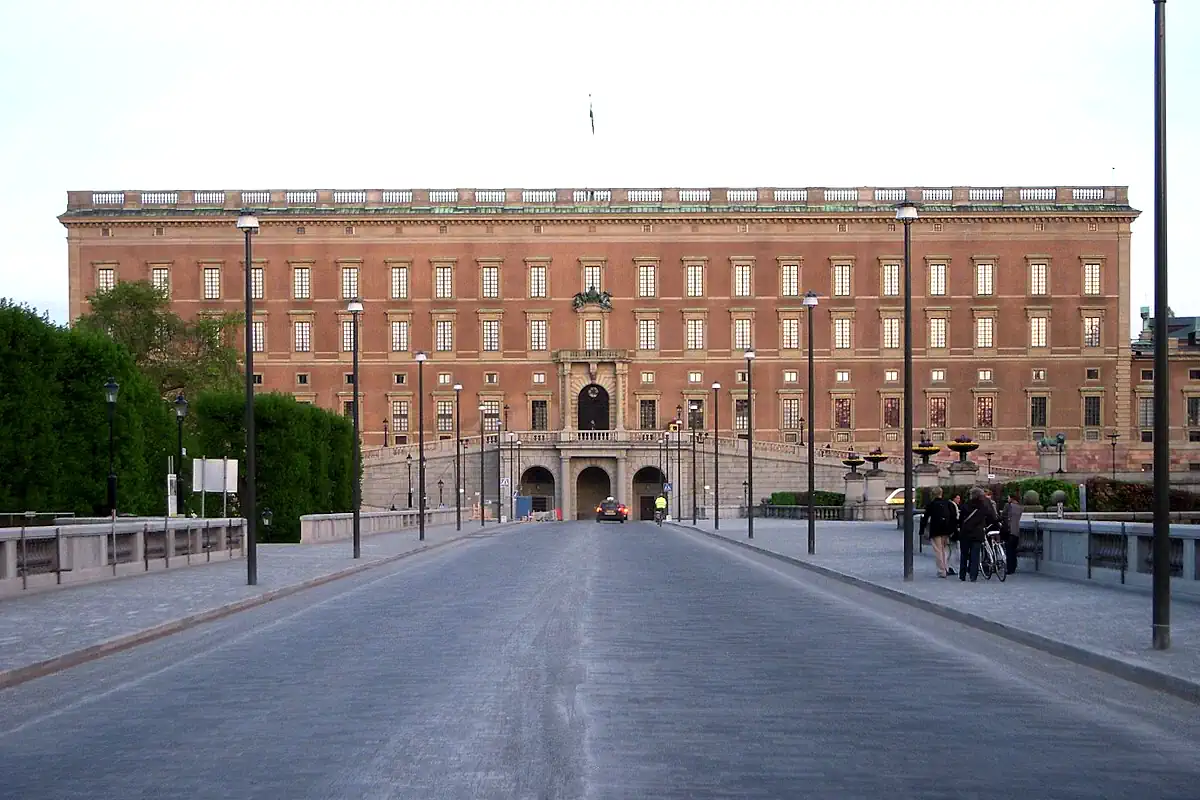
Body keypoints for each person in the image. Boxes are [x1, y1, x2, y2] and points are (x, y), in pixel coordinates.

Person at [958, 487, 998, 582]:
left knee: (964, 554)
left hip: (965, 533)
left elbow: (960, 520)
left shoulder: (965, 505)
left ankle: (962, 574)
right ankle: (973, 575)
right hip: (977, 533)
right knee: (975, 555)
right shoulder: (983, 506)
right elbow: (991, 518)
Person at [919, 487, 958, 578]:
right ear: (942, 493)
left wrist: (922, 530)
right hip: (946, 530)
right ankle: (946, 567)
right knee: (945, 549)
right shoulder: (948, 504)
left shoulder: (931, 504)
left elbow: (925, 518)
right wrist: (953, 530)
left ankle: (942, 570)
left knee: (938, 550)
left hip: (936, 530)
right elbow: (954, 518)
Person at [1001, 493, 1023, 574]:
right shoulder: (1020, 507)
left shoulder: (1008, 506)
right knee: (1013, 550)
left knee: (1009, 550)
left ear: (1012, 498)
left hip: (1009, 530)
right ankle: (1014, 566)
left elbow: (1003, 515)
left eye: (1008, 497)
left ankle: (1009, 568)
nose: (1008, 499)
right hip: (1016, 531)